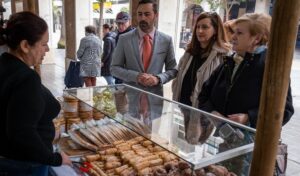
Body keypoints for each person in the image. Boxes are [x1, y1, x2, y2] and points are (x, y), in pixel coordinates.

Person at [0, 12, 71, 176]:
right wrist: (55, 158)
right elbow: (21, 133)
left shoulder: (5, 64)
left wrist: (49, 131)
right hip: (23, 168)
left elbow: (14, 115)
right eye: (43, 44)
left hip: (8, 163)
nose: (47, 49)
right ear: (25, 45)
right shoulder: (25, 78)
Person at [198, 13, 294, 128]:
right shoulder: (230, 61)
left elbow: (285, 111)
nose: (232, 37)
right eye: (234, 32)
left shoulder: (272, 68)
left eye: (239, 33)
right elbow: (204, 93)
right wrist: (212, 113)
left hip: (254, 142)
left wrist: (249, 118)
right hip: (222, 138)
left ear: (257, 38)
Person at [110, 0, 177, 128]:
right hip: (130, 99)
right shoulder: (124, 39)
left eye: (147, 14)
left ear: (156, 16)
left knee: (151, 139)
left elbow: (173, 70)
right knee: (128, 136)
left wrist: (158, 78)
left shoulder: (166, 40)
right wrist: (136, 76)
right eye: (139, 14)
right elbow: (114, 68)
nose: (142, 18)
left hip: (155, 100)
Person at [172, 12, 231, 145]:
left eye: (205, 27)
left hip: (204, 112)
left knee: (197, 143)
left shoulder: (223, 55)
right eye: (197, 27)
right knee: (189, 141)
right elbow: (178, 70)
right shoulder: (190, 51)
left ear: (215, 30)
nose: (199, 31)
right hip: (185, 105)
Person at [114, 11, 135, 84]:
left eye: (123, 23)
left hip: (130, 73)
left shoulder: (134, 35)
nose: (120, 26)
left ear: (129, 22)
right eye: (118, 23)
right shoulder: (118, 35)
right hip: (119, 71)